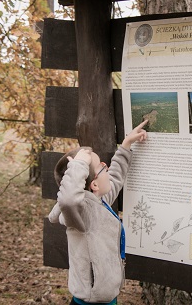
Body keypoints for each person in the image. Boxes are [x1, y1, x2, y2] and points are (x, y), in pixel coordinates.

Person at [48, 120, 148, 305]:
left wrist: (126, 145)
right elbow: (68, 199)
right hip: (91, 302)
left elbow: (116, 177)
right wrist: (78, 166)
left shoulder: (98, 202)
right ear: (93, 184)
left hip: (107, 297)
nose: (106, 164)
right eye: (101, 165)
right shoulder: (81, 215)